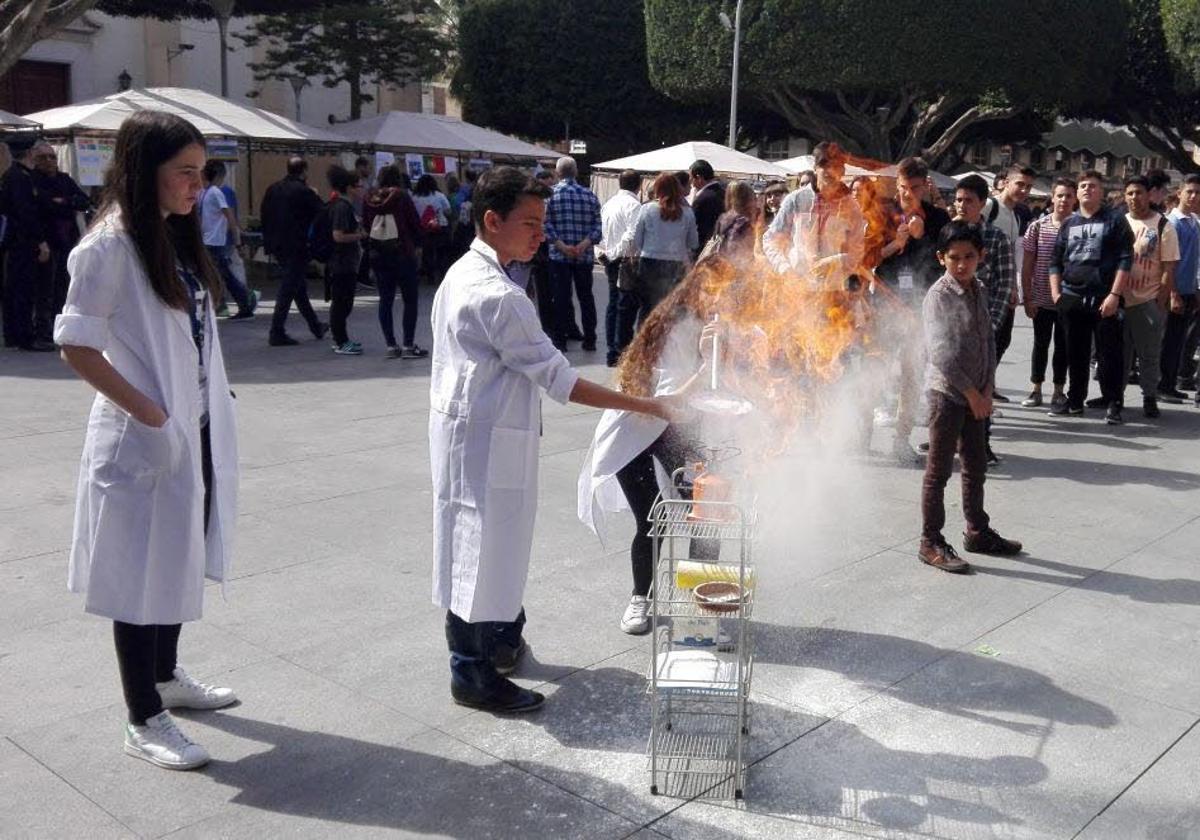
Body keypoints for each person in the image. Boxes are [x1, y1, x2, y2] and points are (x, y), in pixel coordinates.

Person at [429, 166, 675, 713]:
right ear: (492, 221)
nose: (540, 233)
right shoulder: (498, 295)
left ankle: (502, 638)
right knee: (481, 551)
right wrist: (648, 405)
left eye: (542, 222)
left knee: (490, 546)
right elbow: (561, 380)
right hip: (486, 444)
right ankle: (471, 671)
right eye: (530, 223)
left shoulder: (463, 272)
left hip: (474, 435)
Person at [53, 110, 239, 770]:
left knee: (178, 554)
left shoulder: (170, 238)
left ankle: (166, 677)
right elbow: (75, 343)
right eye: (184, 173)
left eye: (202, 172)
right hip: (143, 437)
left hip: (194, 428)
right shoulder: (109, 245)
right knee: (138, 572)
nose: (198, 186)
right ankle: (143, 716)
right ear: (144, 172)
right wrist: (152, 416)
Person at [578, 259, 738, 634]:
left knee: (705, 515)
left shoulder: (713, 329)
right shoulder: (664, 332)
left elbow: (719, 390)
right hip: (634, 434)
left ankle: (702, 600)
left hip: (677, 431)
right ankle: (641, 599)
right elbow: (666, 403)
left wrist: (721, 357)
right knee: (652, 519)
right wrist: (705, 365)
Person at [919, 222, 1022, 574]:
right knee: (939, 471)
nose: (962, 265)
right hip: (948, 395)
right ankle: (930, 540)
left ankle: (977, 530)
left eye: (969, 257)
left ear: (981, 257)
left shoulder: (978, 287)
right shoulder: (939, 295)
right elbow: (941, 354)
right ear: (941, 258)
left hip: (978, 394)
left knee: (975, 466)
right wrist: (971, 393)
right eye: (954, 258)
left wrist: (988, 389)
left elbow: (989, 340)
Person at [875, 157, 951, 465]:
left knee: (911, 374)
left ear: (926, 186)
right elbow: (869, 258)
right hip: (884, 300)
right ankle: (859, 436)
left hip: (919, 305)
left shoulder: (937, 218)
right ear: (897, 184)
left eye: (915, 188)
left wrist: (925, 238)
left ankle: (900, 439)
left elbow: (946, 261)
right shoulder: (883, 212)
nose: (908, 194)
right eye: (904, 187)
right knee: (875, 367)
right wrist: (896, 243)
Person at [1048, 170, 1134, 422]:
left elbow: (1125, 259)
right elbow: (1055, 262)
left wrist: (1115, 294)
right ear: (1077, 193)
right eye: (1083, 186)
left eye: (1093, 186)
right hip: (1072, 297)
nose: (1087, 189)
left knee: (1109, 354)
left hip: (1104, 297)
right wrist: (1056, 294)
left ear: (1102, 191)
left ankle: (1113, 402)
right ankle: (1075, 400)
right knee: (1075, 353)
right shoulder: (1069, 224)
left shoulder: (1115, 220)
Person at [952, 175, 1014, 463]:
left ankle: (981, 445)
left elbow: (1004, 284)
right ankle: (945, 439)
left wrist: (992, 323)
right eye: (959, 199)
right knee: (948, 385)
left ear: (982, 203)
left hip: (982, 325)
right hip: (951, 325)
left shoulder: (996, 238)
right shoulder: (948, 232)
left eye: (969, 200)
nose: (962, 205)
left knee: (981, 386)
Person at [763, 141, 864, 290]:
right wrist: (785, 270)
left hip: (834, 291)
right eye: (824, 165)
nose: (830, 171)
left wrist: (834, 261)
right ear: (815, 168)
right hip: (798, 291)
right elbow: (770, 240)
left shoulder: (851, 208)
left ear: (843, 171)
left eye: (835, 166)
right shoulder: (795, 200)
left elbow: (858, 251)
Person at [1119, 175, 1178, 419]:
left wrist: (1159, 303)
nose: (1135, 198)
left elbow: (1168, 268)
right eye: (1130, 193)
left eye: (1139, 193)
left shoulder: (1163, 225)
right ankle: (1115, 395)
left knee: (1149, 354)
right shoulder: (1118, 223)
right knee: (1118, 353)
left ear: (1149, 195)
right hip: (1120, 299)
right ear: (1125, 196)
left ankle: (1149, 396)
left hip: (1147, 300)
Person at [259, 156, 328, 345]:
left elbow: (264, 214)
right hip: (297, 245)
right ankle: (276, 331)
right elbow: (322, 212)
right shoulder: (303, 191)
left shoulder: (273, 189)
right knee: (289, 288)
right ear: (304, 171)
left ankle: (315, 326)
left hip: (277, 245)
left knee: (298, 288)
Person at [1022, 177, 1075, 412]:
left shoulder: (1080, 227)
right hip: (1041, 297)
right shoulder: (1037, 227)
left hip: (1067, 299)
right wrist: (1028, 296)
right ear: (1052, 197)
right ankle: (1036, 388)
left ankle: (1058, 390)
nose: (1064, 200)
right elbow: (1027, 265)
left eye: (1068, 196)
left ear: (1074, 199)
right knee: (1040, 344)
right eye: (1060, 195)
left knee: (1063, 347)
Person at [619, 171, 699, 328]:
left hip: (649, 263)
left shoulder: (647, 209)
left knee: (647, 309)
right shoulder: (687, 213)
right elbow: (693, 243)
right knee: (671, 310)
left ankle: (643, 346)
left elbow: (637, 241)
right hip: (676, 265)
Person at [363, 164, 425, 358]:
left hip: (379, 254)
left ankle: (391, 345)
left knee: (385, 300)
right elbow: (415, 223)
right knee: (410, 300)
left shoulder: (369, 198)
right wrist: (419, 245)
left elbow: (366, 224)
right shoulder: (402, 196)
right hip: (402, 252)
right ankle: (408, 345)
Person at [31, 141, 90, 340]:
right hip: (47, 241)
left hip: (68, 240)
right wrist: (67, 203)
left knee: (64, 288)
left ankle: (59, 328)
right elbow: (44, 206)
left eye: (52, 157)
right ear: (34, 160)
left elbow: (83, 201)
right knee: (44, 289)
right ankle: (42, 330)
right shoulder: (34, 180)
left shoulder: (64, 179)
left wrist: (64, 201)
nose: (49, 161)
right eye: (43, 157)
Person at [0, 138, 54, 351]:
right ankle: (24, 336)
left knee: (15, 288)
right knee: (23, 289)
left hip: (15, 240)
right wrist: (41, 242)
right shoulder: (20, 178)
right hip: (23, 241)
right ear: (30, 153)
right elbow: (26, 213)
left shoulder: (13, 175)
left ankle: (14, 334)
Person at [544, 156, 602, 351]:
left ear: (557, 173)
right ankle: (590, 340)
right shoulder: (590, 195)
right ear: (575, 172)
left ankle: (560, 341)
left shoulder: (550, 196)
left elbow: (546, 225)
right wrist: (584, 244)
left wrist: (561, 246)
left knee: (561, 298)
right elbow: (598, 227)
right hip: (584, 256)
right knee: (586, 298)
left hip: (559, 257)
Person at [983, 165, 1035, 380]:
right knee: (987, 340)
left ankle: (988, 384)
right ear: (1005, 182)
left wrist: (1014, 288)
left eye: (1028, 187)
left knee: (1002, 340)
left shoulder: (1015, 216)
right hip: (985, 285)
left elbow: (1012, 257)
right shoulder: (989, 207)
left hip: (1003, 287)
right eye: (1020, 184)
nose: (1024, 190)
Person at [197, 160, 256, 319]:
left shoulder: (214, 192)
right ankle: (243, 303)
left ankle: (245, 303)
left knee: (223, 276)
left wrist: (237, 242)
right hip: (208, 241)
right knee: (222, 275)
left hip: (214, 242)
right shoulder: (205, 192)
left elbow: (229, 217)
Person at [598, 169, 642, 366]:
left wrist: (608, 253)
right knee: (624, 306)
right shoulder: (634, 205)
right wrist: (615, 253)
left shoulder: (609, 203)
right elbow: (632, 235)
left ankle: (611, 349)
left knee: (613, 304)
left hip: (610, 256)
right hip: (623, 259)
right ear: (639, 185)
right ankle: (619, 349)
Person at [1164, 175, 1200, 401]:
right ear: (1179, 193)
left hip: (1189, 289)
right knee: (1168, 340)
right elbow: (1169, 261)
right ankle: (1161, 384)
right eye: (1190, 191)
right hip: (1173, 290)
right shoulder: (1172, 222)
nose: (1194, 196)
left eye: (1198, 193)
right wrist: (1172, 292)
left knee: (1179, 341)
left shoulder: (1194, 221)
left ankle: (1170, 383)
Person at [326, 164, 367, 355]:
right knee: (341, 303)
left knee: (345, 302)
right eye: (359, 186)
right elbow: (338, 235)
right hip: (341, 262)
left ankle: (342, 339)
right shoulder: (342, 207)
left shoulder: (345, 206)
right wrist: (360, 236)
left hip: (347, 262)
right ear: (350, 188)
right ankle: (340, 341)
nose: (362, 189)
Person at [412, 173, 452, 285]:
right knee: (441, 253)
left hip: (423, 228)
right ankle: (442, 275)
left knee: (427, 252)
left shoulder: (415, 197)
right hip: (440, 227)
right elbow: (448, 211)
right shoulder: (439, 195)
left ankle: (430, 276)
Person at [711, 180, 760, 261]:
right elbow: (738, 249)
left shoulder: (723, 217)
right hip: (737, 267)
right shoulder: (743, 222)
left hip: (721, 264)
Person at [688, 159, 725, 249]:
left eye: (691, 178)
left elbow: (694, 226)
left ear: (699, 178)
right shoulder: (724, 193)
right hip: (722, 246)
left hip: (704, 248)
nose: (690, 181)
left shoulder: (702, 199)